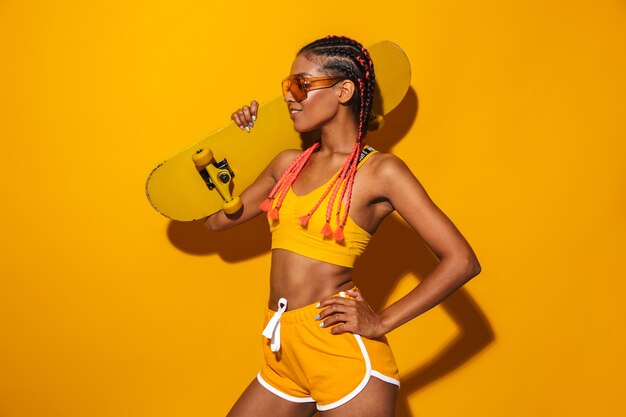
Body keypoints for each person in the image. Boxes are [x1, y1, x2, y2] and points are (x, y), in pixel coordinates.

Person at [204, 35, 481, 417]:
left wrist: (382, 319)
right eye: (287, 86)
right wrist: (240, 144)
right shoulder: (287, 164)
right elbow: (215, 221)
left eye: (301, 84)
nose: (289, 96)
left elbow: (462, 260)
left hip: (339, 353)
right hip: (282, 350)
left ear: (344, 90)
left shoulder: (381, 172)